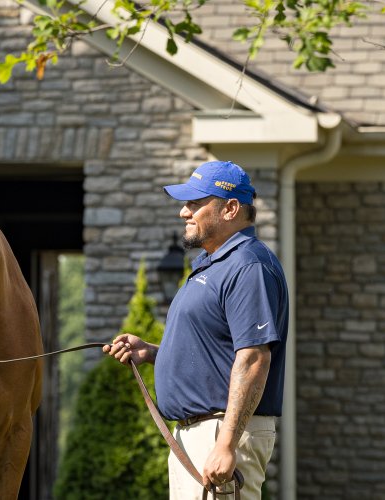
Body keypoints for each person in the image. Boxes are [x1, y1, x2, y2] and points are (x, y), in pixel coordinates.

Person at [102, 160, 288, 500]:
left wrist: (226, 443)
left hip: (220, 433)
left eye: (195, 203)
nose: (183, 212)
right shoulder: (215, 264)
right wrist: (154, 353)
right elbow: (217, 352)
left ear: (230, 209)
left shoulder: (249, 266)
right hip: (198, 435)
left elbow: (253, 358)